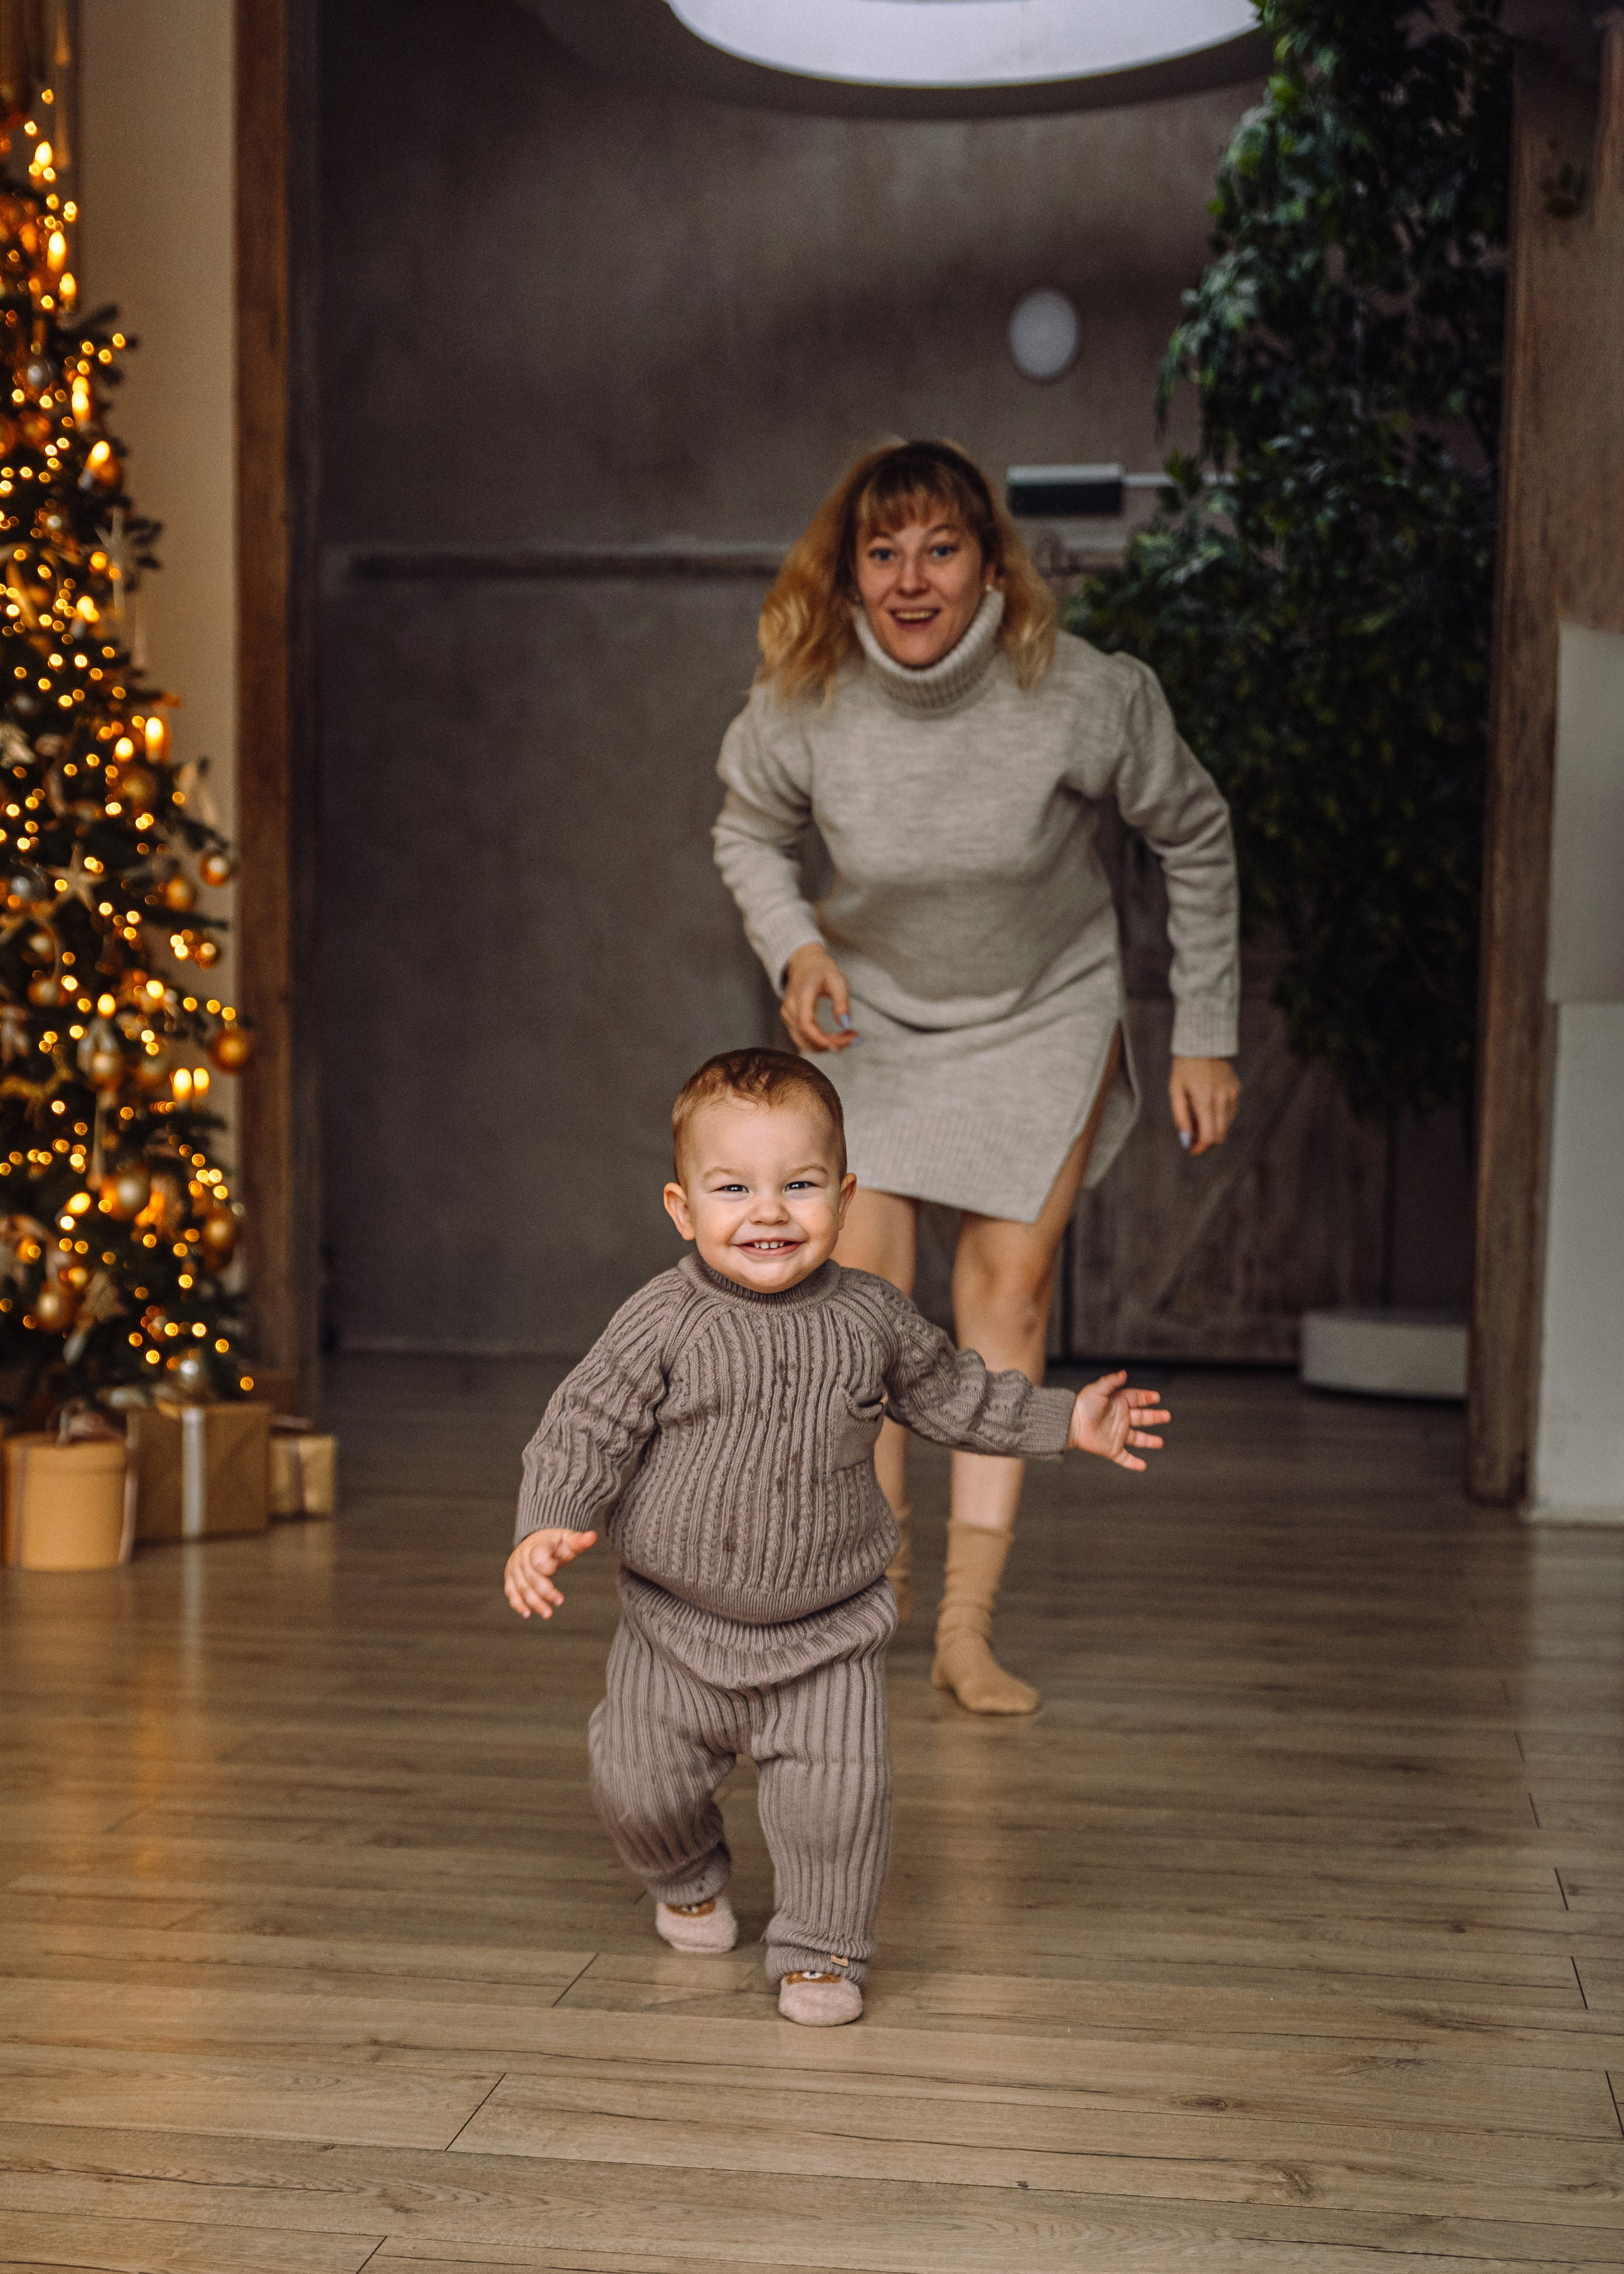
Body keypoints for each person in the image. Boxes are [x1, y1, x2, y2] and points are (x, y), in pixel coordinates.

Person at [711, 439, 1240, 1717]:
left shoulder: (1075, 693)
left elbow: (1193, 828)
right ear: (846, 572)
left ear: (987, 562)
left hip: (1039, 1013)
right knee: (863, 1297)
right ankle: (871, 1584)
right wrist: (796, 946)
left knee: (1003, 1287)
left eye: (938, 549)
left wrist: (1205, 1031)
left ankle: (966, 1629)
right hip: (873, 1023)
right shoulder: (807, 699)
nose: (910, 579)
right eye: (880, 552)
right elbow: (743, 826)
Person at [504, 1048, 1170, 2027]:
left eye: (800, 1185)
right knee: (638, 1785)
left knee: (837, 1806)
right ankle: (687, 1875)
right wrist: (552, 1519)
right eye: (733, 1188)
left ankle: (820, 1949)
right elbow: (587, 1424)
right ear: (683, 1210)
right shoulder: (662, 1320)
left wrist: (1064, 1421)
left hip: (827, 1632)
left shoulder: (871, 1319)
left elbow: (956, 1396)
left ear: (844, 1196)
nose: (768, 1212)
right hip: (674, 1627)